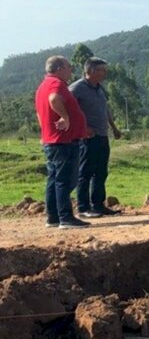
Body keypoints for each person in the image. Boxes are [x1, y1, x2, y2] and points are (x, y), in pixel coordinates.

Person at [34, 55, 90, 228]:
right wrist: (65, 117)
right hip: (63, 140)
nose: (71, 70)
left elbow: (39, 113)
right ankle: (66, 217)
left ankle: (53, 217)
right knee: (66, 179)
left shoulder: (42, 86)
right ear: (59, 68)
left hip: (52, 140)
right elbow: (54, 100)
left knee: (54, 179)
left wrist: (45, 130)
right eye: (68, 66)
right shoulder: (56, 84)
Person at [69, 57, 122, 217]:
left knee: (101, 171)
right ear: (90, 71)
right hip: (87, 138)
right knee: (85, 172)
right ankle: (83, 207)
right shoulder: (76, 88)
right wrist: (83, 128)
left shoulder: (99, 88)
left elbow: (105, 110)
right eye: (102, 70)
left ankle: (98, 205)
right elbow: (67, 108)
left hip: (102, 135)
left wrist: (113, 127)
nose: (105, 73)